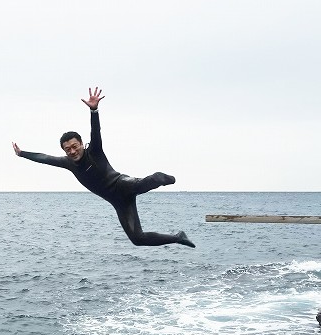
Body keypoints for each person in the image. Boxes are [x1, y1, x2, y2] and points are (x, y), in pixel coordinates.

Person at [12, 88, 195, 248]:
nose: (73, 151)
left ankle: (159, 178)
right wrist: (22, 154)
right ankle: (178, 238)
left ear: (81, 144)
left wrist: (94, 111)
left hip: (122, 184)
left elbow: (96, 131)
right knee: (137, 239)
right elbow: (44, 158)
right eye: (68, 149)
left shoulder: (94, 151)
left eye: (75, 146)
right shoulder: (67, 163)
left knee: (141, 185)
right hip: (118, 202)